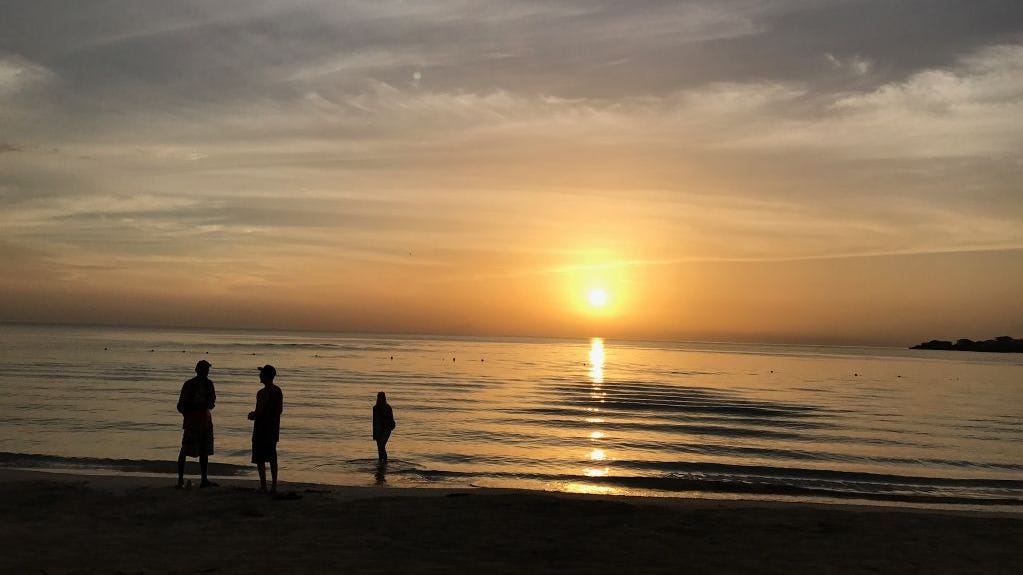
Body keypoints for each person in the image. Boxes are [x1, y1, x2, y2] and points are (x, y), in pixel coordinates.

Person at [176, 360, 217, 488]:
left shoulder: (202, 384)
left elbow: (211, 403)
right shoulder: (193, 384)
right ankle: (183, 480)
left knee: (200, 452)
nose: (207, 372)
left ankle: (195, 479)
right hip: (196, 423)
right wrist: (191, 411)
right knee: (187, 451)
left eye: (207, 369)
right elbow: (181, 406)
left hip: (201, 422)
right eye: (205, 369)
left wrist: (188, 412)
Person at [248, 365, 284, 493]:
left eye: (262, 374)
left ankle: (263, 485)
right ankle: (273, 485)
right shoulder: (278, 390)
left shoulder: (262, 393)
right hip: (273, 428)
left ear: (266, 376)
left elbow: (259, 412)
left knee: (260, 457)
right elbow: (280, 410)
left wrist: (251, 415)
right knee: (272, 456)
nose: (260, 376)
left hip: (262, 428)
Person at [372, 391, 396, 463]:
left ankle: (385, 462)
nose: (381, 399)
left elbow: (391, 419)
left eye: (382, 397)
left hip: (387, 429)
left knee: (382, 446)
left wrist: (387, 424)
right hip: (378, 429)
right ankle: (380, 462)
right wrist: (374, 434)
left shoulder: (388, 407)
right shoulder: (375, 408)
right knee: (380, 447)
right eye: (379, 397)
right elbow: (374, 421)